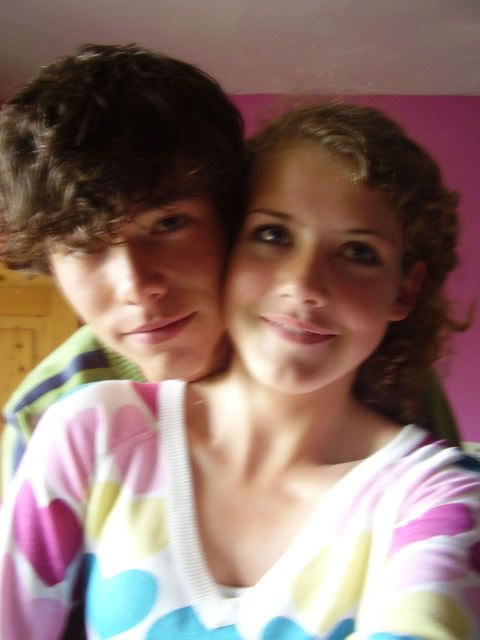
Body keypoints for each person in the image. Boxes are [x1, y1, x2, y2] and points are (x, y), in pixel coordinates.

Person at [1, 102, 479, 639]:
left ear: (405, 289)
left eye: (358, 252)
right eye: (273, 235)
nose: (303, 285)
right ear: (228, 248)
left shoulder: (438, 497)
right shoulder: (92, 431)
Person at [0, 42, 246, 499]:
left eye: (169, 224)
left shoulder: (328, 357)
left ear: (231, 219)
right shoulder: (45, 418)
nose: (136, 286)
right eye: (82, 246)